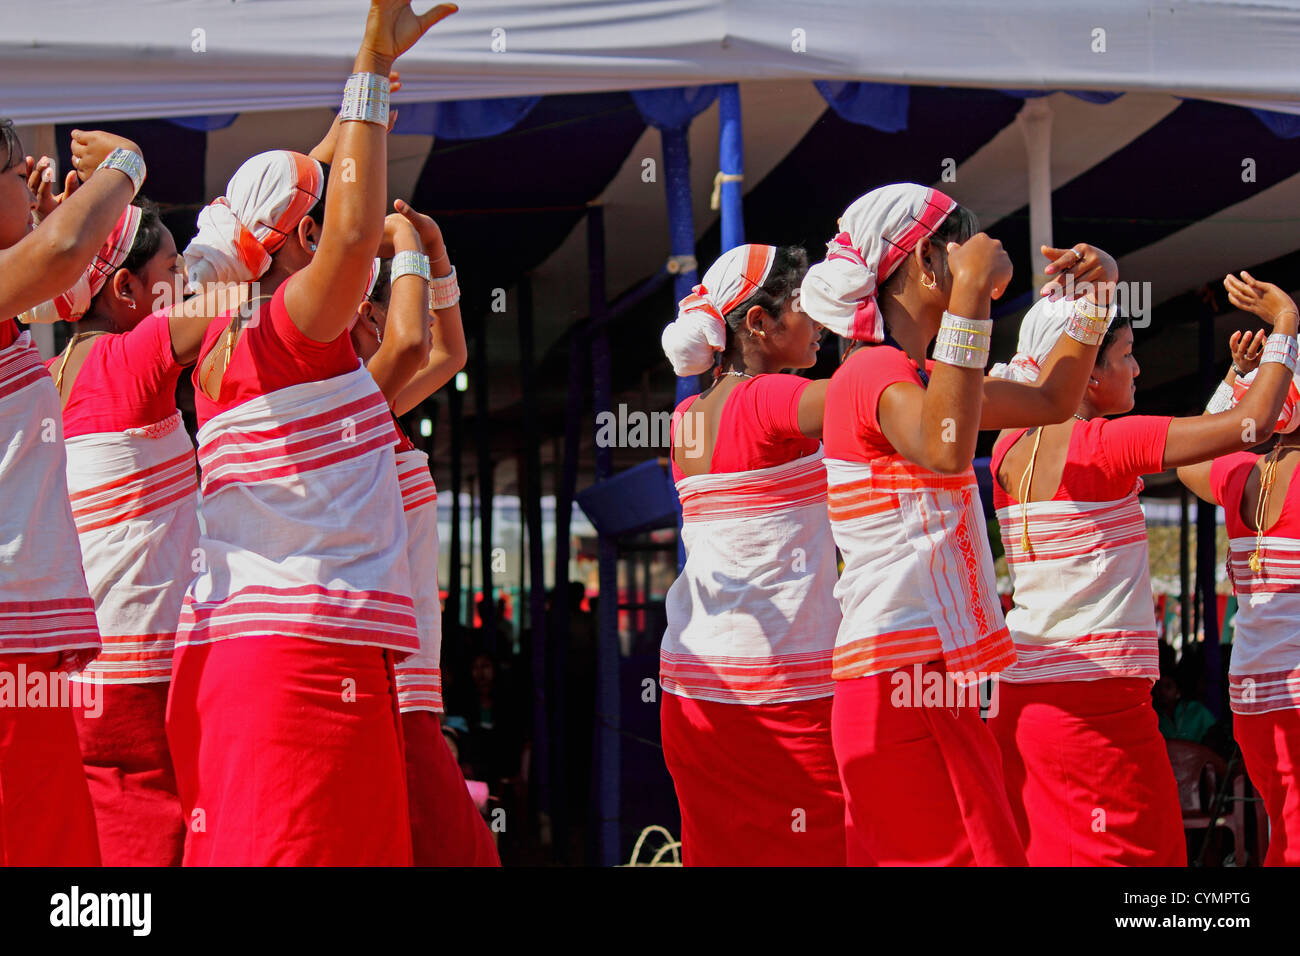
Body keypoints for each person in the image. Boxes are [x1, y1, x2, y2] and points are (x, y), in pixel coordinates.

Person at [164, 0, 459, 866]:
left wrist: (357, 102)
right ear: (300, 237)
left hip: (259, 659)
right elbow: (359, 234)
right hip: (300, 664)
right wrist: (366, 58)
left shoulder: (222, 331)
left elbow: (291, 201)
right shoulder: (291, 327)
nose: (338, 230)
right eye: (319, 221)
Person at [803, 183, 1110, 866]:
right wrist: (973, 290)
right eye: (961, 247)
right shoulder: (869, 373)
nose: (978, 256)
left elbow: (1054, 400)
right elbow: (945, 443)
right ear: (925, 264)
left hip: (923, 680)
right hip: (897, 685)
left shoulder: (916, 374)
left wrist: (1096, 302)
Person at [987, 270, 1296, 866]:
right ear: (1088, 372)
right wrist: (1285, 324)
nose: (1138, 370)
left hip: (1028, 698)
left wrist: (1234, 379)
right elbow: (1248, 427)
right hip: (1095, 707)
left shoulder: (1008, 445)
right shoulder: (1103, 445)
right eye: (1127, 356)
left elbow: (1219, 450)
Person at [657, 242, 845, 865]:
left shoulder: (687, 416)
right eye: (804, 304)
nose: (818, 317)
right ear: (759, 323)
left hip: (695, 690)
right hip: (778, 693)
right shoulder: (768, 401)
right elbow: (871, 401)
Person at [0, 119, 148, 865]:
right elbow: (63, 257)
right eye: (6, 164)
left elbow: (62, 273)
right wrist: (123, 168)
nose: (23, 166)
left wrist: (37, 220)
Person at [44, 199, 195, 866]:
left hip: (71, 676)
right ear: (125, 288)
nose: (185, 281)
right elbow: (232, 295)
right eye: (173, 267)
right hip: (146, 687)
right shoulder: (130, 363)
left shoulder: (48, 381)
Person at [349, 204, 496, 866]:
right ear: (367, 318)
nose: (407, 321)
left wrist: (436, 258)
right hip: (388, 688)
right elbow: (419, 345)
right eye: (391, 307)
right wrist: (406, 239)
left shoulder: (379, 405)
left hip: (409, 687)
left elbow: (450, 350)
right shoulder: (349, 406)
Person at [1177, 271, 1300, 865]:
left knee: (1285, 825)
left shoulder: (1239, 476)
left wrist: (1236, 382)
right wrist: (1286, 325)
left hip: (1251, 692)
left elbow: (1191, 458)